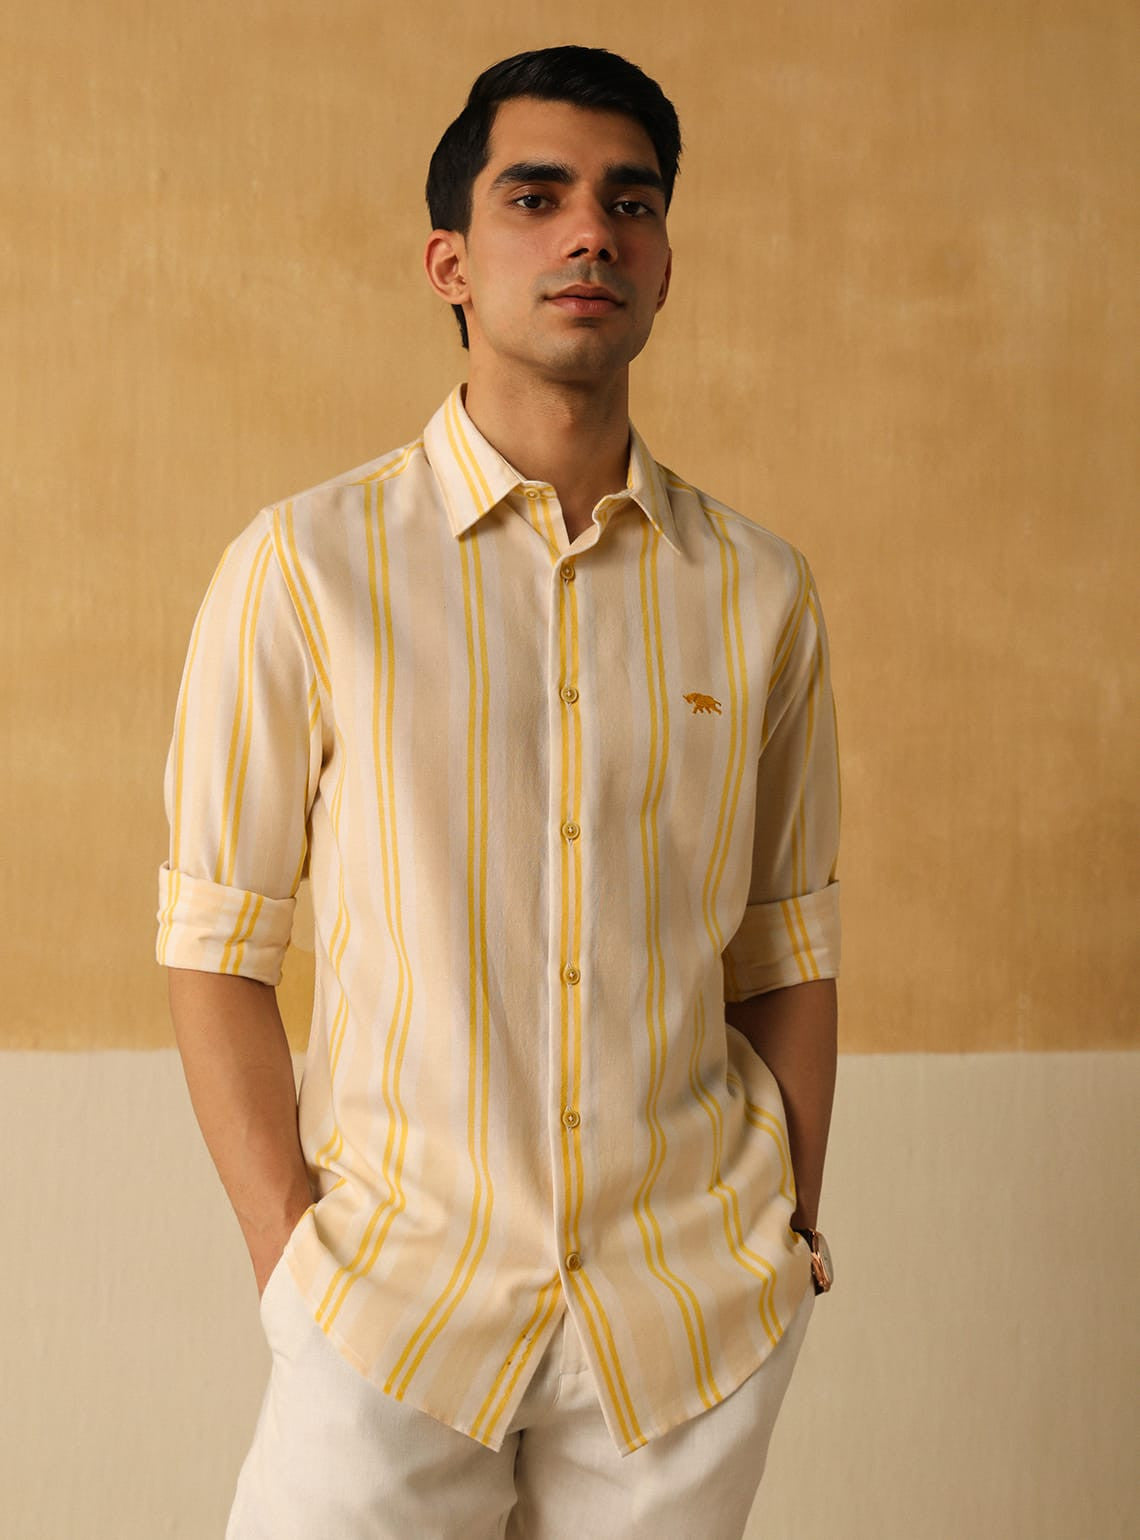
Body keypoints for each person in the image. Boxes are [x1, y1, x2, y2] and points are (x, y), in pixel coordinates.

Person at [157, 43, 841, 1540]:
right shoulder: (304, 569)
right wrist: (291, 1267)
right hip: (390, 1314)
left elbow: (785, 945)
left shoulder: (761, 592)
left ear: (664, 263)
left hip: (686, 1320)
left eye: (630, 202)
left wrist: (787, 1231)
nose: (592, 231)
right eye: (537, 197)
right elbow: (216, 942)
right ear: (450, 263)